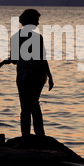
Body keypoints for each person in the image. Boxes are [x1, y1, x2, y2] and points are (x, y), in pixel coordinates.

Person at [10, 9, 54, 137]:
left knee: (25, 106)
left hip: (23, 75)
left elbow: (14, 59)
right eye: (36, 20)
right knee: (34, 104)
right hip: (36, 75)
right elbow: (42, 58)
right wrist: (50, 76)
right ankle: (39, 134)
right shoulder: (37, 37)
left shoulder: (15, 37)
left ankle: (26, 135)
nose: (38, 23)